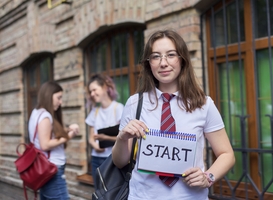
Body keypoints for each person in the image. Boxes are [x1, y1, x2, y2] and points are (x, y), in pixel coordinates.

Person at [112, 30, 235, 200]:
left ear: (182, 60)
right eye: (156, 56)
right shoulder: (135, 103)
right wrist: (122, 138)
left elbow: (227, 154)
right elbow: (120, 162)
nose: (163, 63)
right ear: (149, 63)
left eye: (171, 55)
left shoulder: (204, 104)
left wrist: (208, 177)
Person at [28, 81, 79, 200]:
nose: (60, 102)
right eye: (58, 98)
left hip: (45, 169)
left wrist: (65, 130)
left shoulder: (36, 112)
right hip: (52, 170)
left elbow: (45, 135)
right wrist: (69, 136)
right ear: (49, 95)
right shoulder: (45, 116)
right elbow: (45, 144)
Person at [85, 74, 124, 179]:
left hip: (112, 158)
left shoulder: (118, 109)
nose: (92, 94)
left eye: (94, 90)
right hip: (96, 159)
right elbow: (91, 137)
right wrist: (95, 146)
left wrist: (105, 138)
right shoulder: (94, 111)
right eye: (90, 92)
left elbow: (124, 138)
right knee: (98, 192)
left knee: (112, 192)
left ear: (105, 88)